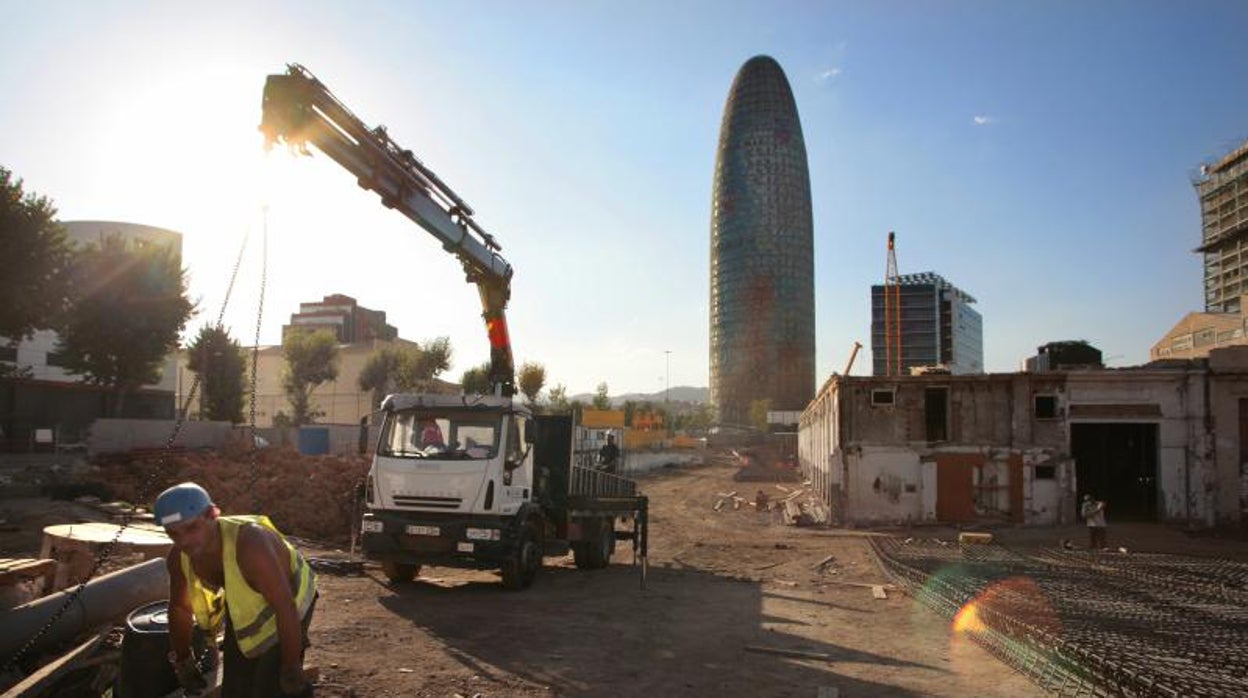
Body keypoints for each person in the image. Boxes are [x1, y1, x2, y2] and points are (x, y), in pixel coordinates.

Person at [156, 482, 317, 697]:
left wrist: (291, 667)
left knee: (271, 686)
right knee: (236, 687)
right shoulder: (179, 558)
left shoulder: (251, 546)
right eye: (173, 533)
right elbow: (180, 609)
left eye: (192, 528)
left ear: (212, 514)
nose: (183, 541)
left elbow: (285, 607)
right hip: (250, 601)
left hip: (290, 599)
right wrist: (184, 661)